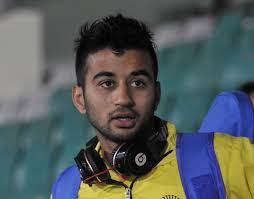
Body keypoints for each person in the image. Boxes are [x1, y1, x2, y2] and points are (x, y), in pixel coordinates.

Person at [50, 14, 254, 199]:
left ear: (157, 94)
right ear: (79, 99)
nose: (123, 98)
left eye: (138, 82)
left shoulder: (223, 158)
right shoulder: (67, 190)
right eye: (107, 84)